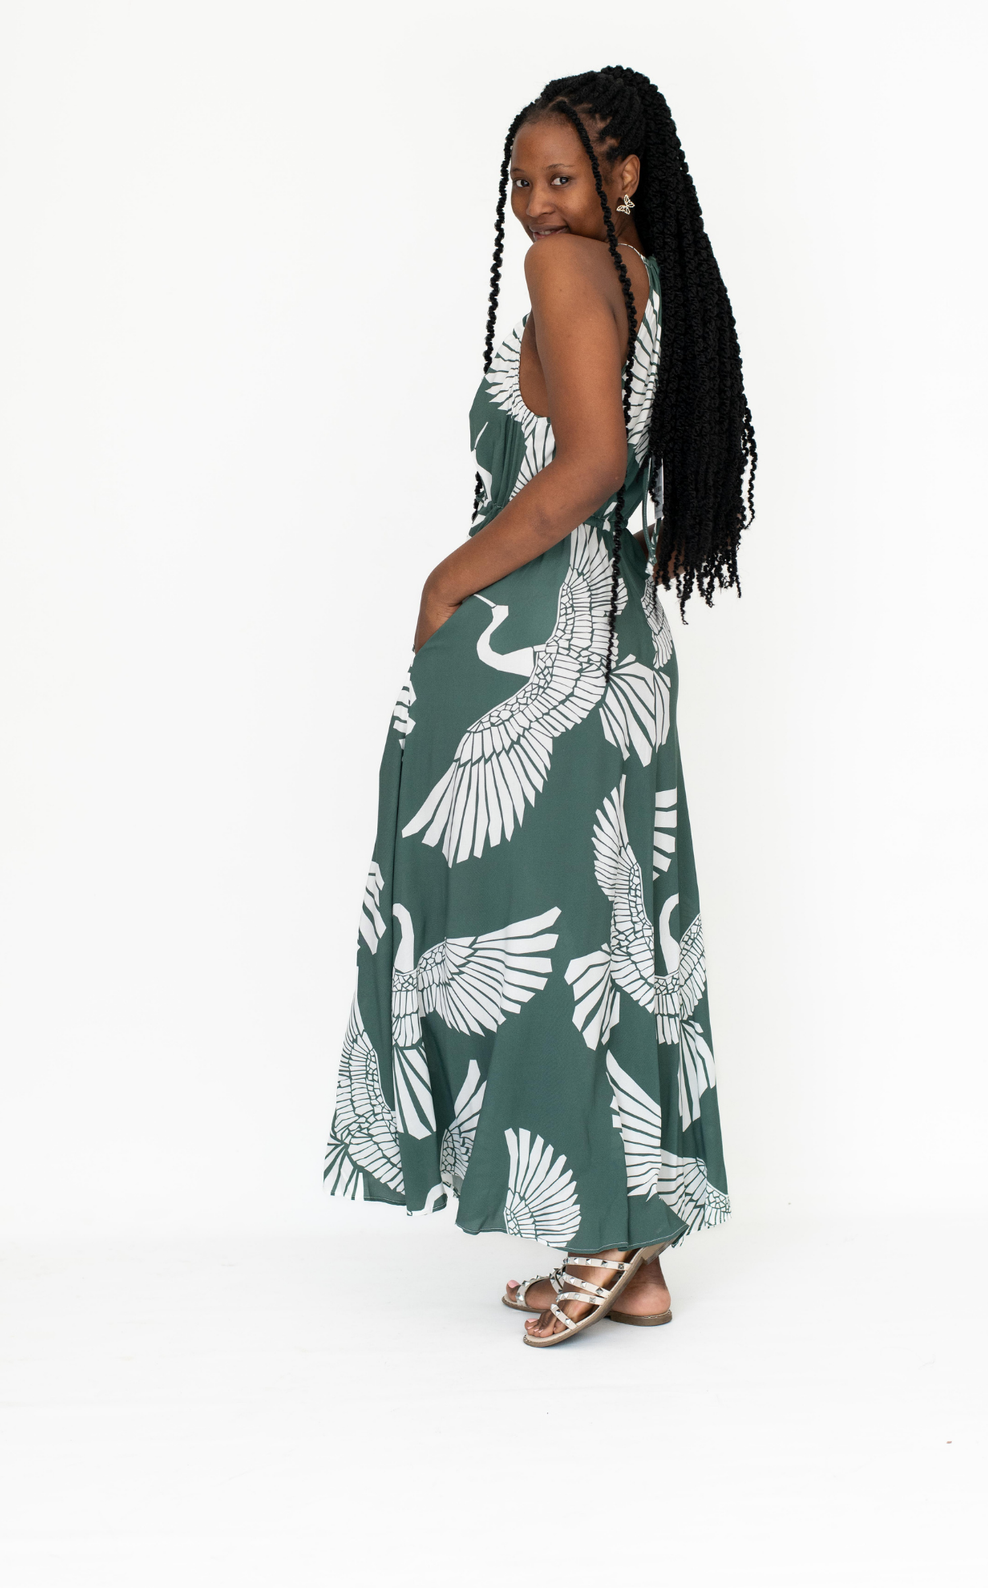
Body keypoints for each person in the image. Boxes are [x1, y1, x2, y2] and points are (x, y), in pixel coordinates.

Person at [325, 67, 756, 1347]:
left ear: (625, 176)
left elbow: (591, 465)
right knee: (607, 932)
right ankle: (633, 1248)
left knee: (535, 929)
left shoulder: (568, 271)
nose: (535, 205)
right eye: (519, 182)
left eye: (560, 177)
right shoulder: (643, 278)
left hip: (540, 638)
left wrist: (447, 580)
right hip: (617, 637)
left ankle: (600, 1228)